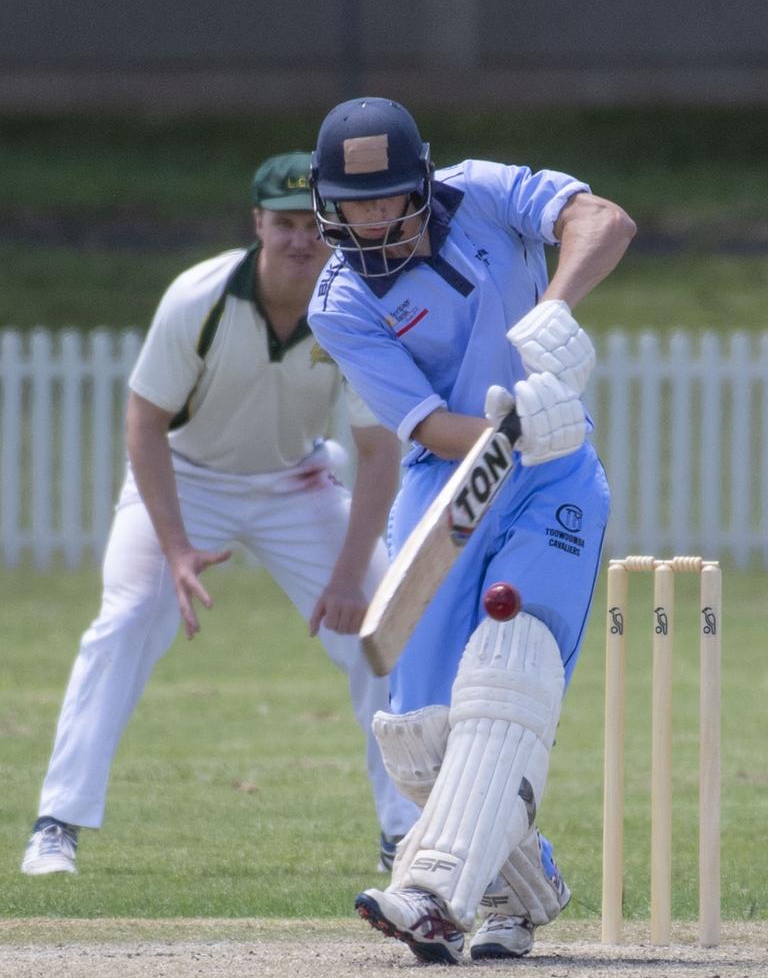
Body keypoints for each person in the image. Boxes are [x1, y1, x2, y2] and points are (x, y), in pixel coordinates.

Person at [20, 150, 420, 878]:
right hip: (183, 480)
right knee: (127, 618)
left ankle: (405, 833)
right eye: (285, 223)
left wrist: (346, 579)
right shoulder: (197, 298)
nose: (301, 240)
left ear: (333, 229)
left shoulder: (355, 302)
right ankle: (57, 824)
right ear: (258, 224)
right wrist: (175, 550)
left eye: (313, 225)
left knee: (380, 631)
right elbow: (144, 423)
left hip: (296, 480)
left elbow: (379, 450)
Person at [307, 98, 636, 964]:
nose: (371, 217)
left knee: (509, 655)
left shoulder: (482, 193)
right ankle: (521, 893)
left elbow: (604, 219)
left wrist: (556, 311)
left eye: (385, 197)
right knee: (416, 732)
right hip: (450, 476)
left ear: (420, 182)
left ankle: (431, 894)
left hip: (556, 479)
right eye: (352, 201)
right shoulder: (338, 304)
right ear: (327, 202)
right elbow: (422, 427)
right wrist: (513, 426)